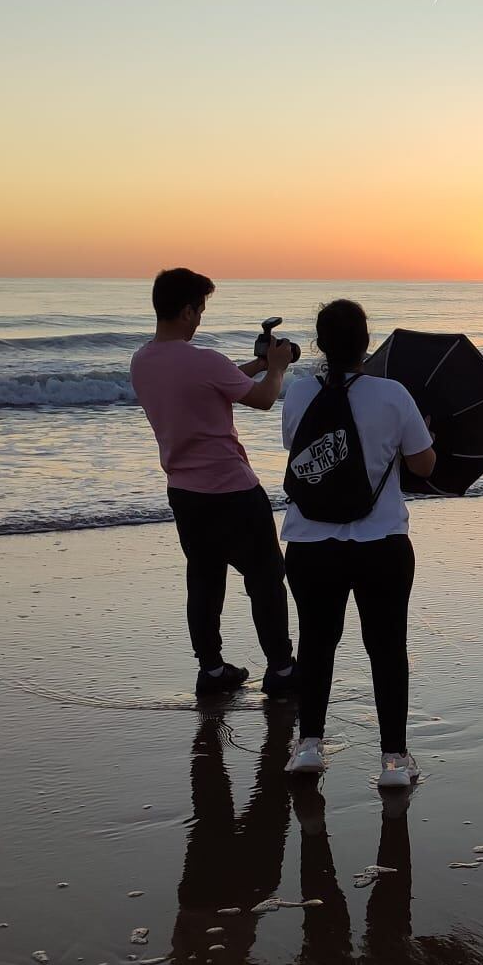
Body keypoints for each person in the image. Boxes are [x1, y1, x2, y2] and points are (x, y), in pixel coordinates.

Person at [278, 299, 437, 788]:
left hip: (308, 541)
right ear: (367, 343)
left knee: (316, 643)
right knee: (387, 648)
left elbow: (297, 450)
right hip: (381, 540)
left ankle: (309, 746)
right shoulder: (393, 394)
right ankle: (393, 759)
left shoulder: (299, 392)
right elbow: (424, 465)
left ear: (320, 344)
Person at [129, 267, 298, 698]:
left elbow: (215, 386)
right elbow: (261, 398)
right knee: (264, 577)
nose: (201, 318)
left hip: (185, 491)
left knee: (203, 582)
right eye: (200, 310)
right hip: (233, 489)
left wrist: (259, 364)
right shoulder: (204, 360)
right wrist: (275, 369)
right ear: (186, 310)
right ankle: (280, 670)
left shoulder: (143, 360)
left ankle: (212, 669)